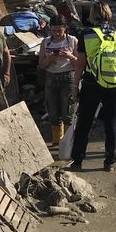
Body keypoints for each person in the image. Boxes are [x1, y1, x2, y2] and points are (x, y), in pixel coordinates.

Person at [69, 3, 116, 172]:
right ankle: (110, 161)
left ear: (92, 16)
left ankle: (78, 160)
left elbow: (80, 64)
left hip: (92, 83)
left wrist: (75, 86)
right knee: (112, 121)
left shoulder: (87, 34)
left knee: (85, 121)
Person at [39, 16, 78, 147]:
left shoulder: (72, 40)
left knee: (68, 110)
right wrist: (49, 59)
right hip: (51, 77)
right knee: (53, 110)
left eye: (59, 31)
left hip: (68, 77)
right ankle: (57, 140)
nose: (56, 33)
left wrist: (69, 56)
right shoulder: (45, 42)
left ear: (65, 29)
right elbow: (41, 64)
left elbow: (79, 63)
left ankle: (68, 142)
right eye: (54, 30)